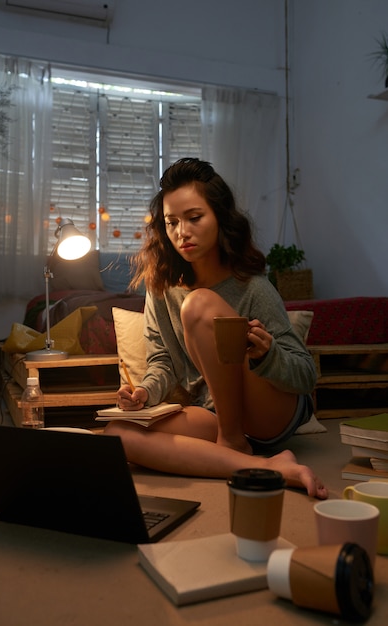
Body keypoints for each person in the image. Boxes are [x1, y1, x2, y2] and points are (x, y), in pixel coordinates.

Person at [104, 158, 328, 499]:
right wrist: (145, 393)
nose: (182, 232)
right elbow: (163, 360)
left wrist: (267, 355)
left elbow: (305, 375)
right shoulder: (162, 287)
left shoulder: (252, 286)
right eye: (172, 222)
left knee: (200, 305)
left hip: (271, 410)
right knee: (117, 434)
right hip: (215, 411)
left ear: (220, 216)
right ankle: (268, 466)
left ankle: (233, 441)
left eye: (194, 218)